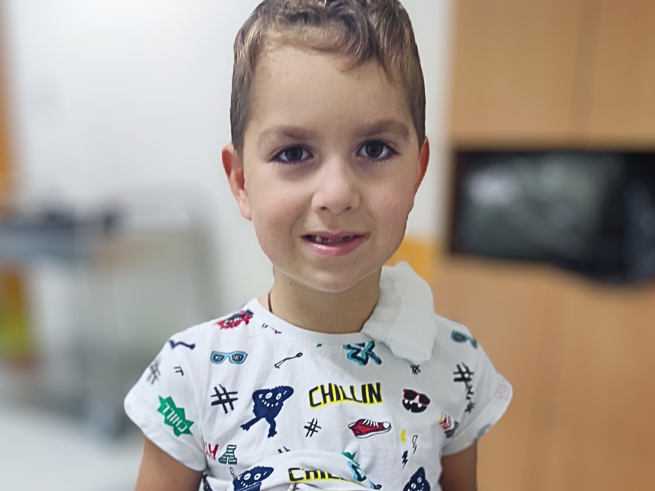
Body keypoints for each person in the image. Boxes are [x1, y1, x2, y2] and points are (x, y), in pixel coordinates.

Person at [124, 1, 512, 490]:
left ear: (417, 169)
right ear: (241, 181)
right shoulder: (192, 373)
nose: (336, 194)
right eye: (293, 153)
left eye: (374, 149)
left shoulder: (456, 364)